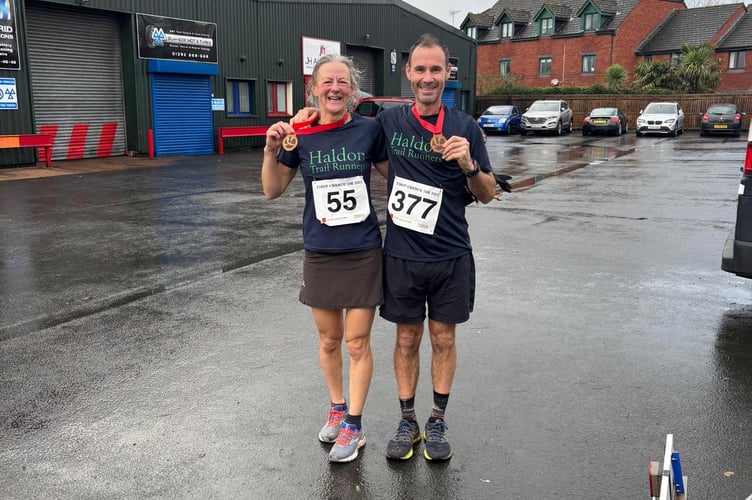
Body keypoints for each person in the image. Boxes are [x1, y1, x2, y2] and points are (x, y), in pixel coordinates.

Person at [261, 53, 388, 463]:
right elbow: (272, 189)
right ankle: (336, 406)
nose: (335, 88)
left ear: (352, 90)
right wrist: (270, 149)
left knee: (356, 343)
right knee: (330, 339)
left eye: (343, 82)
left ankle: (354, 422)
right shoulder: (300, 134)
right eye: (327, 82)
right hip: (320, 251)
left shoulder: (369, 130)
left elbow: (398, 173)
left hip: (363, 250)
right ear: (313, 89)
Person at [377, 34, 497, 462]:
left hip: (450, 254)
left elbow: (486, 193)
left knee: (442, 338)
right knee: (407, 337)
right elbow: (354, 141)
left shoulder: (465, 126)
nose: (428, 78)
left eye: (436, 70)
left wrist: (469, 165)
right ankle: (407, 419)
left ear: (448, 73)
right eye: (420, 69)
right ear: (408, 73)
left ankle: (437, 419)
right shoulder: (389, 123)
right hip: (403, 255)